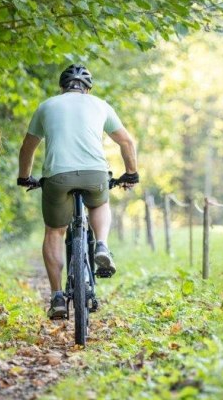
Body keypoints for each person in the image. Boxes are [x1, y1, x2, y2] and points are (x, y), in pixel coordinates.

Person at [17, 64, 139, 319]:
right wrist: (131, 173)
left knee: (54, 231)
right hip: (95, 174)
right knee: (99, 203)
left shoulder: (47, 106)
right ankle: (102, 245)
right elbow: (126, 141)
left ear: (62, 87)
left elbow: (28, 146)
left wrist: (24, 177)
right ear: (88, 89)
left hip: (57, 176)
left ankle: (57, 298)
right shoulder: (101, 105)